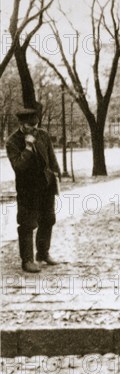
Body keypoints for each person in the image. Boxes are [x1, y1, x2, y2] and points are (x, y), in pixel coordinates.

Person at [6, 107, 61, 273]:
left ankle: (43, 253)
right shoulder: (13, 142)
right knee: (27, 223)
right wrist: (28, 148)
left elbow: (51, 157)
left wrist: (56, 174)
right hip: (27, 189)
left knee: (48, 219)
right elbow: (19, 166)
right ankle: (27, 260)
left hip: (46, 185)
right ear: (22, 124)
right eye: (31, 126)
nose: (34, 129)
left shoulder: (42, 135)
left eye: (35, 125)